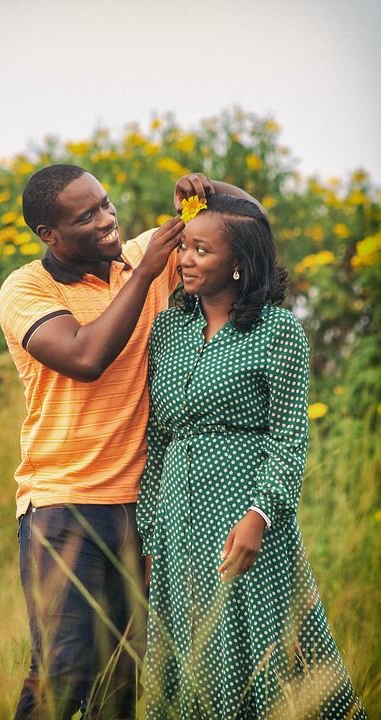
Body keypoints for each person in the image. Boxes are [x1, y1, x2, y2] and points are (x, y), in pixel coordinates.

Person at [0, 165, 257, 719]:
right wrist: (143, 274)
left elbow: (246, 219)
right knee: (64, 671)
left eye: (107, 205)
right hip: (62, 503)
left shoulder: (146, 257)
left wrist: (204, 193)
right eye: (85, 216)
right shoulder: (26, 289)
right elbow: (86, 358)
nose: (107, 220)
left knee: (122, 679)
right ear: (49, 234)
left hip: (143, 508)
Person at [136, 194, 367, 719]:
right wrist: (151, 533)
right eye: (184, 249)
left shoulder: (277, 331)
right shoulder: (167, 330)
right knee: (191, 656)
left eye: (202, 250)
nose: (186, 260)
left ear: (238, 263)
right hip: (176, 520)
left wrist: (260, 515)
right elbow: (157, 440)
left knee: (267, 651)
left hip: (246, 515)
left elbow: (289, 439)